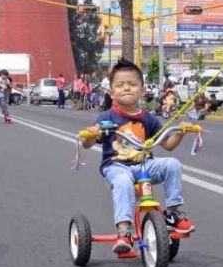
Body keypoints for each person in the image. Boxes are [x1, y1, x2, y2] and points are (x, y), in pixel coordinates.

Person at [79, 59, 195, 254]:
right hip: (116, 166)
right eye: (120, 85)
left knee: (172, 164)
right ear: (112, 92)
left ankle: (173, 213)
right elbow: (87, 143)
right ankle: (124, 231)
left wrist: (180, 132)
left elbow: (167, 145)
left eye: (132, 84)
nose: (126, 88)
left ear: (142, 91)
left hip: (144, 165)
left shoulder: (148, 118)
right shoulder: (106, 117)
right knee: (124, 181)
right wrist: (92, 134)